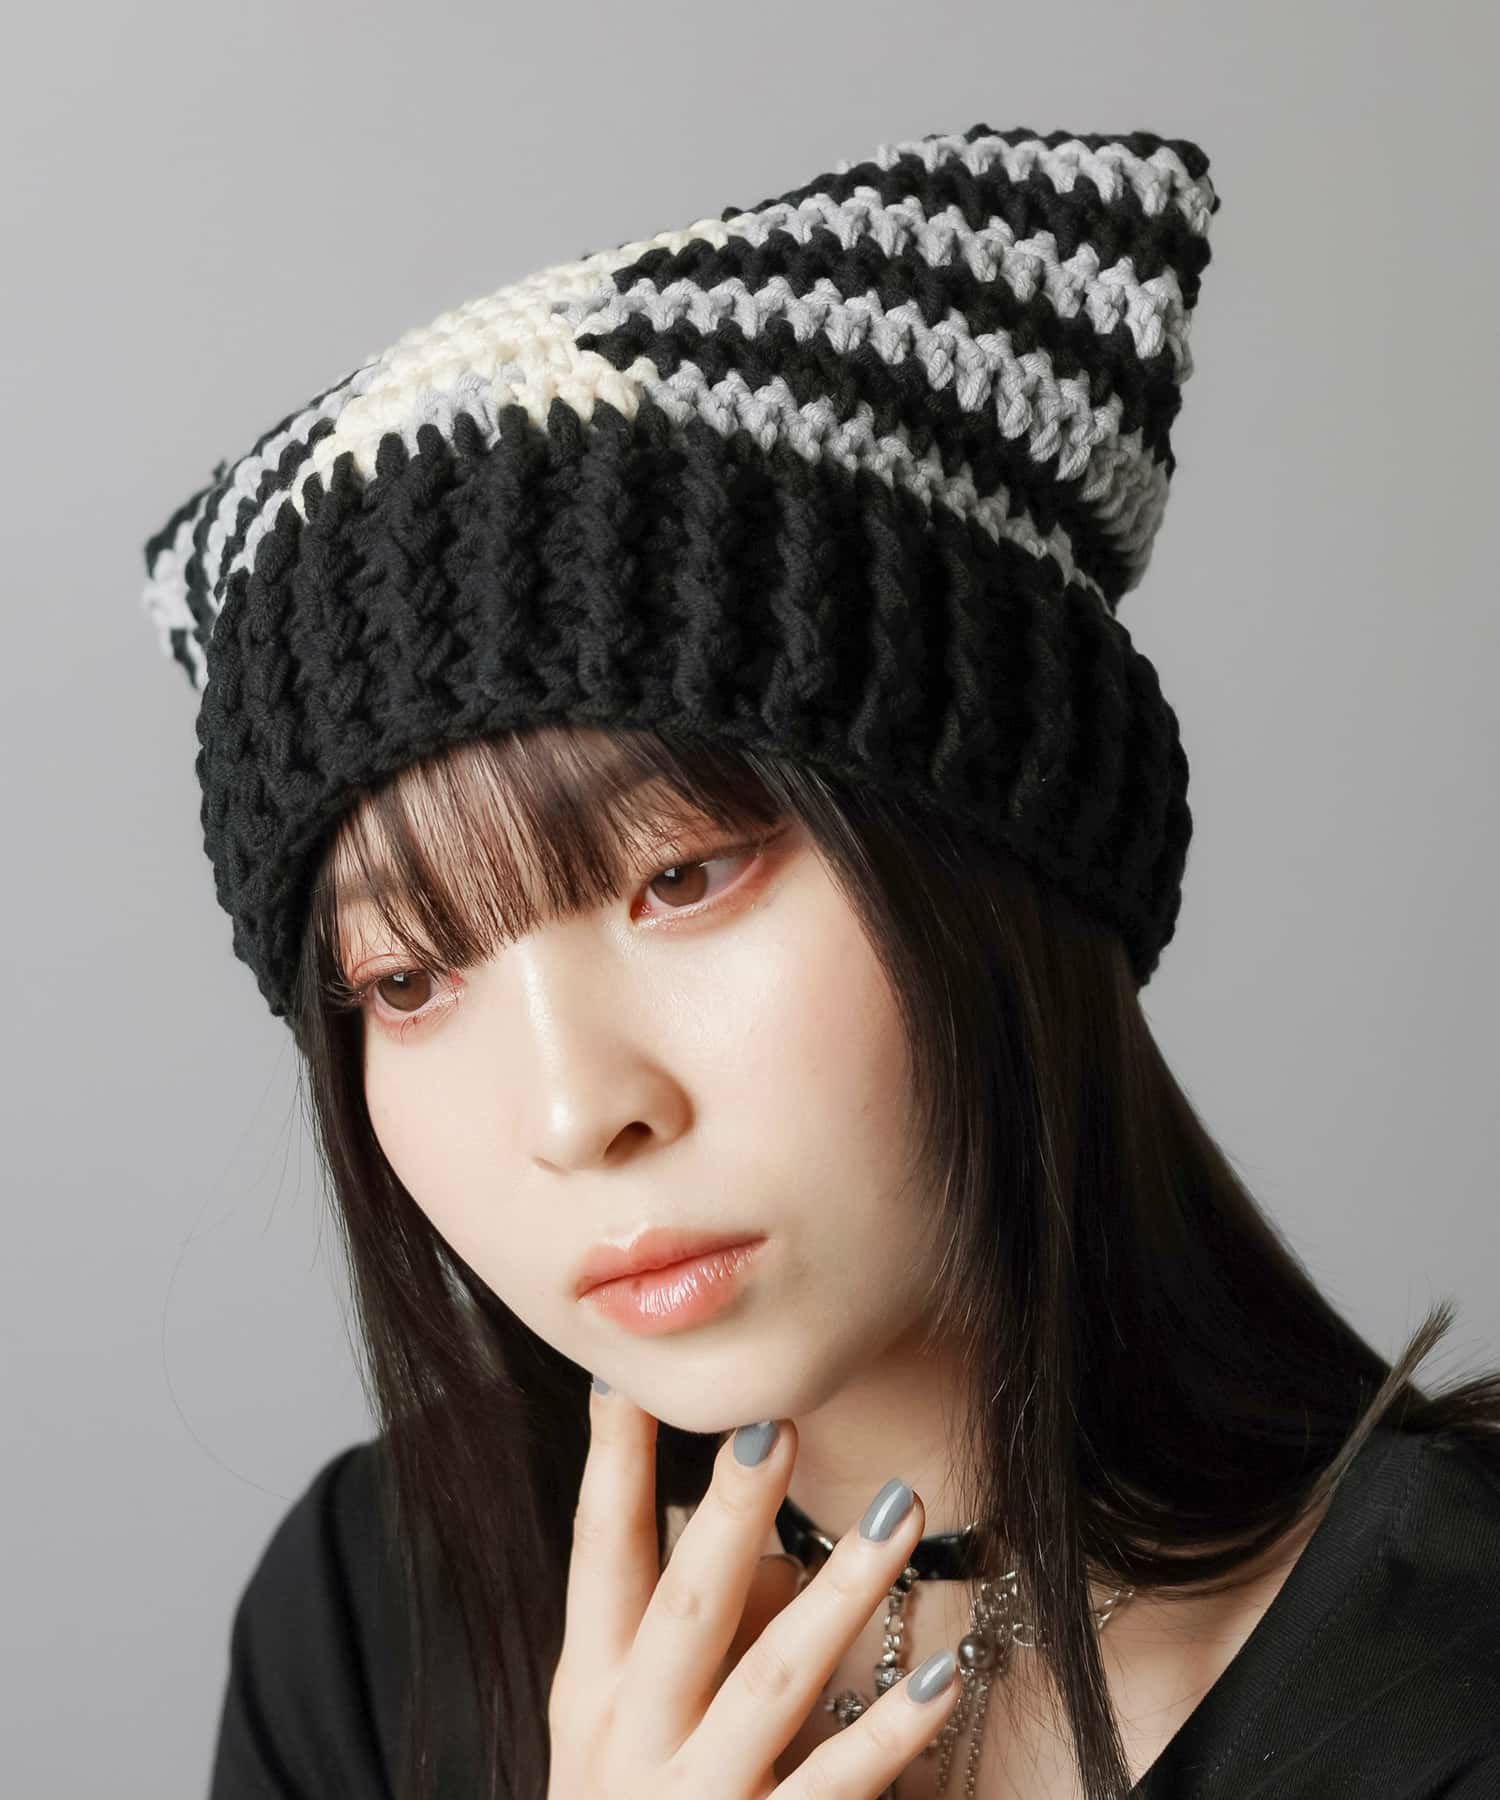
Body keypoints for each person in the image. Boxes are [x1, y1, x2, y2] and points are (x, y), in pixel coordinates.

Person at [138, 122, 1500, 1800]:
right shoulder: (371, 1622)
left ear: (994, 851)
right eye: (407, 981)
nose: (575, 1111)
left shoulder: (1449, 1677)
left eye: (683, 876)